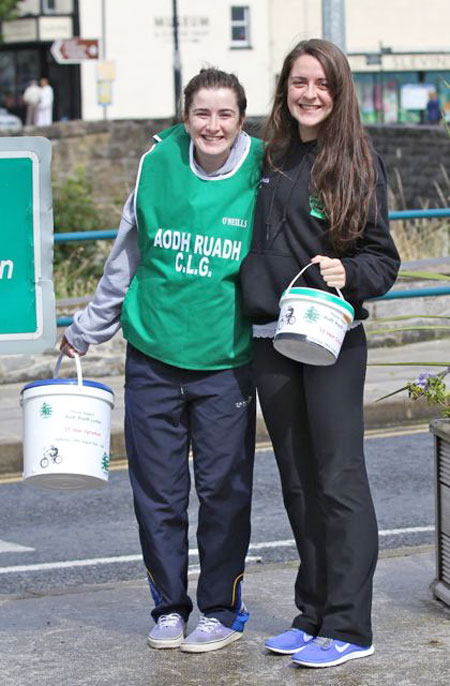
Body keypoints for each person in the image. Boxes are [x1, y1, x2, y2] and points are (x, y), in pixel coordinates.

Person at [60, 68, 263, 653]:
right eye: (202, 113)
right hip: (151, 356)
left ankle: (221, 609)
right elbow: (125, 259)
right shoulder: (157, 164)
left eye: (225, 114)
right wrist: (85, 330)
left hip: (225, 360)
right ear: (185, 116)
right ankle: (169, 606)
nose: (213, 125)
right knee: (157, 492)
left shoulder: (263, 169)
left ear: (240, 119)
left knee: (224, 491)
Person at [240, 39, 400, 669]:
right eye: (298, 82)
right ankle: (312, 613)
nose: (309, 94)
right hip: (271, 339)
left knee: (338, 482)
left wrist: (348, 269)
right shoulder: (268, 159)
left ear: (339, 92)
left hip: (332, 339)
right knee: (300, 486)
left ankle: (350, 626)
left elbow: (382, 260)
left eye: (322, 84)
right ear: (285, 89)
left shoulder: (359, 159)